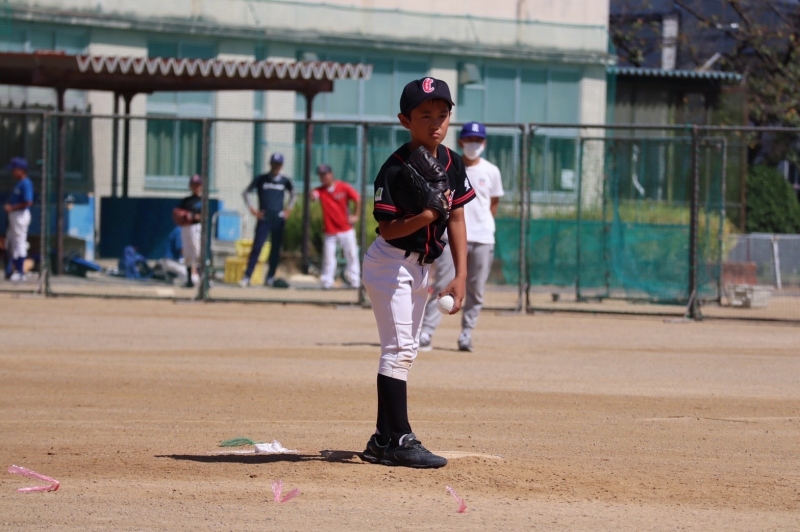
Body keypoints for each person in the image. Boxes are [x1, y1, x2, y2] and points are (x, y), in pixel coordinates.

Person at [360, 77, 475, 469]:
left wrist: (461, 275)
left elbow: (456, 218)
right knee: (400, 350)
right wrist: (427, 215)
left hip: (422, 267)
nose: (435, 123)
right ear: (405, 120)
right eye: (425, 115)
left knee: (403, 352)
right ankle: (399, 439)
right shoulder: (394, 169)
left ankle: (382, 440)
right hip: (389, 264)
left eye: (442, 114)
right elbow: (388, 229)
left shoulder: (451, 162)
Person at [420, 122, 504, 352]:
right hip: (452, 236)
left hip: (483, 238)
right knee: (442, 283)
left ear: (484, 143)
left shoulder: (492, 171)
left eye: (478, 140)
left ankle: (466, 333)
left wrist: (482, 224)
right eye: (469, 139)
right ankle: (426, 332)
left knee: (476, 288)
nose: (473, 144)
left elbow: (493, 203)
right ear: (461, 141)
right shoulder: (450, 166)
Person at [239, 153, 296, 287]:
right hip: (264, 218)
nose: (276, 166)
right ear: (270, 164)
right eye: (274, 163)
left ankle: (270, 276)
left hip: (278, 219)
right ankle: (247, 276)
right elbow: (246, 192)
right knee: (257, 247)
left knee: (275, 248)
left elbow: (293, 194)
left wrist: (288, 209)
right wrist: (252, 210)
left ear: (282, 165)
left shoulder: (285, 181)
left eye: (278, 164)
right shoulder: (261, 179)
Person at [311, 163, 361, 289]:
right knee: (328, 257)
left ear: (331, 174)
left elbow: (357, 198)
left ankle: (355, 281)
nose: (323, 177)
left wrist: (356, 215)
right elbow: (314, 195)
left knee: (351, 254)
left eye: (325, 174)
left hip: (346, 228)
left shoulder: (343, 187)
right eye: (321, 175)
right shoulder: (320, 191)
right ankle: (327, 282)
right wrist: (312, 195)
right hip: (330, 230)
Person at [4, 157, 34, 282]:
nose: (12, 172)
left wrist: (12, 207)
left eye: (14, 169)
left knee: (19, 243)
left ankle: (20, 272)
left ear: (21, 170)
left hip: (20, 215)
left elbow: (28, 202)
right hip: (15, 215)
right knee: (12, 242)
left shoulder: (26, 182)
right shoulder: (19, 182)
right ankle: (14, 270)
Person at [175, 174, 203, 288]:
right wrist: (183, 216)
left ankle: (204, 281)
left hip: (196, 228)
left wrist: (195, 216)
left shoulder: (202, 200)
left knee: (198, 253)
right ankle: (189, 281)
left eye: (198, 185)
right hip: (185, 228)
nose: (195, 187)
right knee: (187, 254)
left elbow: (204, 215)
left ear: (201, 186)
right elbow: (178, 213)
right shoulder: (186, 200)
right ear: (190, 186)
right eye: (193, 184)